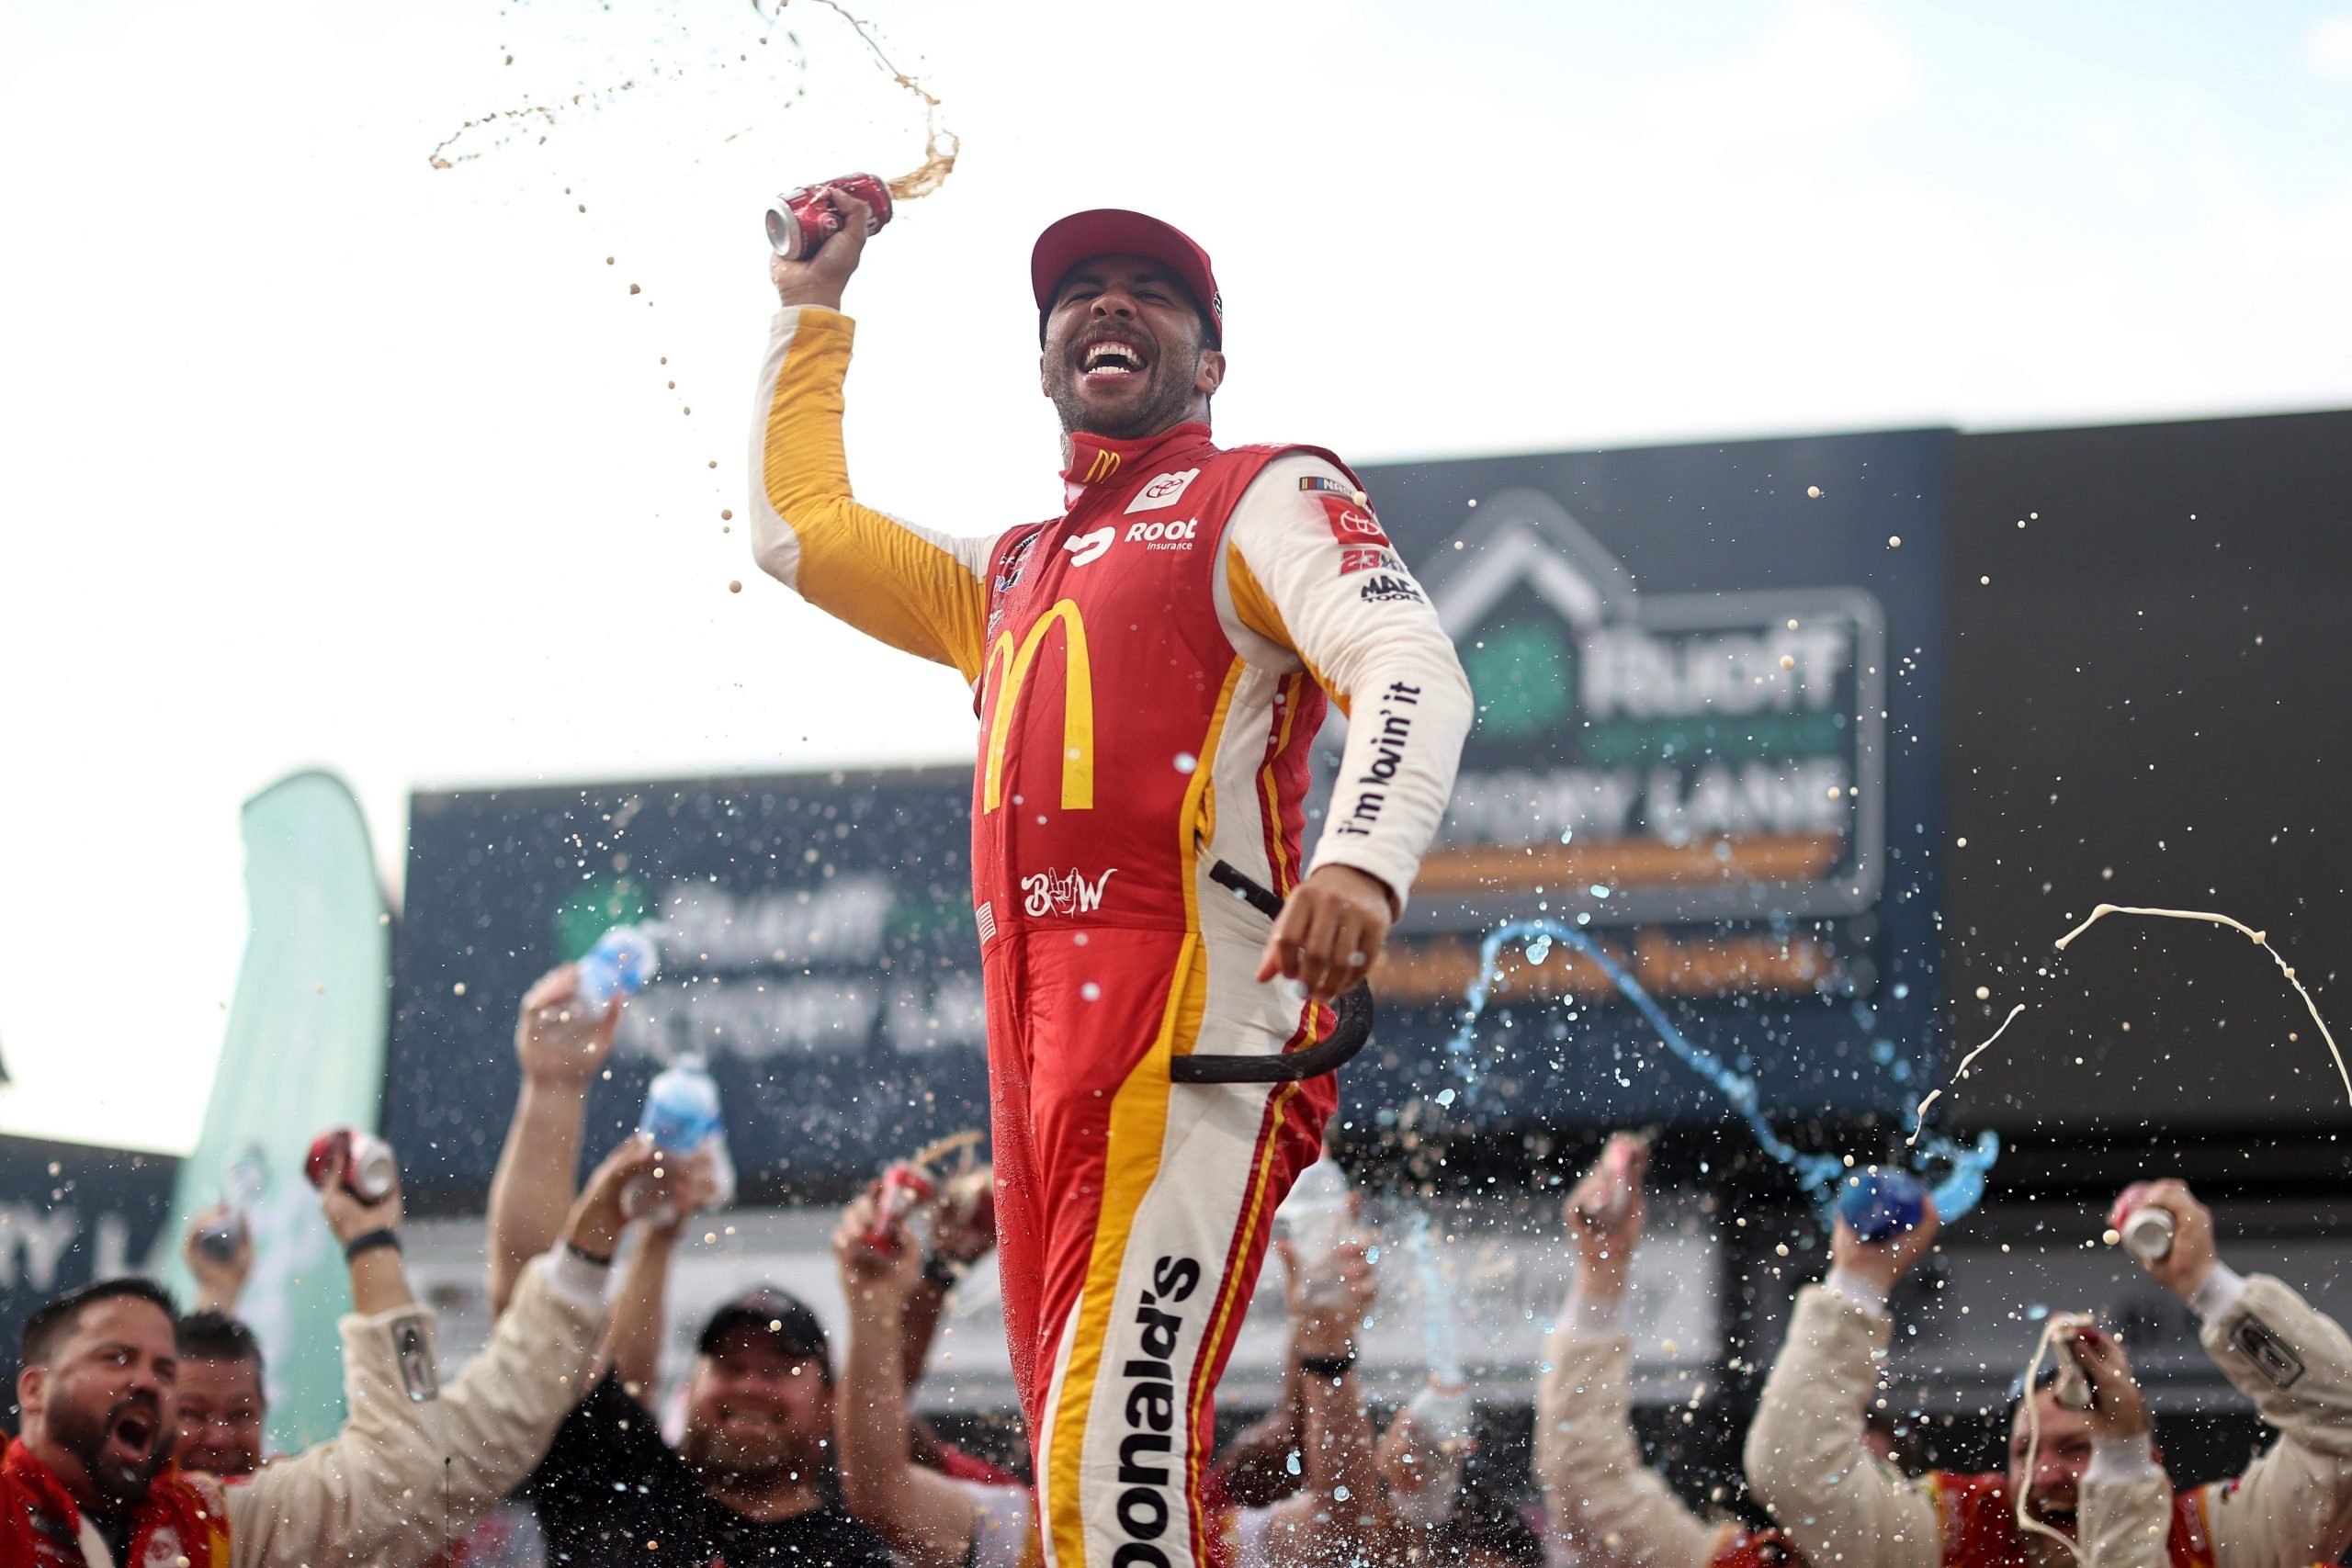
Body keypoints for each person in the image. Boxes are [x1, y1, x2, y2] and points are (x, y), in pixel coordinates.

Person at [752, 191, 1474, 1568]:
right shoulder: (1012, 570)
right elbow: (801, 534)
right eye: (1081, 292)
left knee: (1104, 1452)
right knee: (1096, 1469)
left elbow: (1408, 667)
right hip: (1039, 1071)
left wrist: (1362, 862)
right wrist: (812, 307)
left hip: (1191, 1038)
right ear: (1043, 362)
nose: (1110, 304)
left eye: (1154, 291)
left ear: (1209, 362)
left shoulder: (1264, 489)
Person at [5, 1137, 647, 1568]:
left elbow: (428, 1461)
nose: (146, 1380)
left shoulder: (217, 1525)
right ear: (32, 1389)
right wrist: (217, 1293)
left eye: (161, 1370)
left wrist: (584, 1258)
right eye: (116, 1358)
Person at [1744, 1179, 2352, 1568]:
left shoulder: (2221, 1541)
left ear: (2151, 1456)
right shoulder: (1956, 1536)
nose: (2048, 1473)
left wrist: (2208, 1286)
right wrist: (1857, 1283)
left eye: (2077, 1446)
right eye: (2026, 1449)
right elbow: (1796, 1473)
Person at [1538, 1134, 1799, 1568]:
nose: (1827, 1487)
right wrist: (1602, 1272)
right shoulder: (1737, 1563)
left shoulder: (1920, 1547)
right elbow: (1588, 1489)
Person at [516, 1284, 897, 1568]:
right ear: (691, 1387)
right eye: (730, 1367)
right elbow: (542, 1310)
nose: (750, 1386)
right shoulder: (625, 1486)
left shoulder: (853, 1556)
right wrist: (629, 1220)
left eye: (778, 1370)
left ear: (830, 1399)